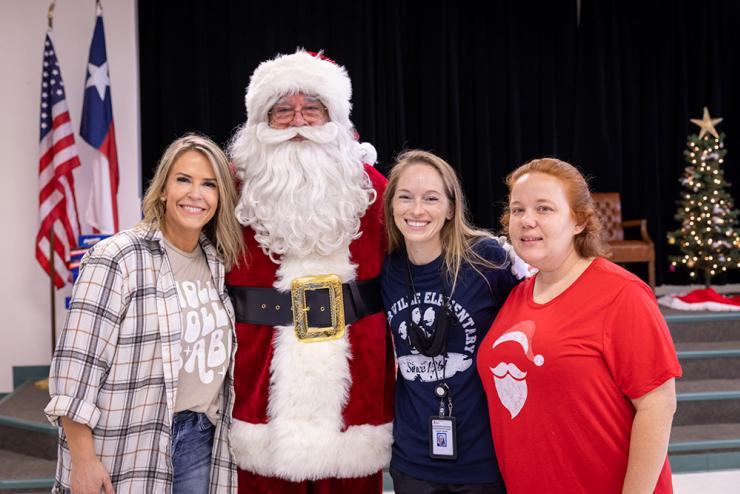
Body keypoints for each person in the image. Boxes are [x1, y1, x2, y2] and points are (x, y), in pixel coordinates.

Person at [226, 50, 395, 493]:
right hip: (259, 368)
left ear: (334, 117)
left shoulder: (374, 190)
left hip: (355, 370)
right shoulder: (229, 191)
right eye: (282, 110)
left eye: (312, 108)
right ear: (260, 121)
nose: (298, 120)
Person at [45, 134, 244, 494]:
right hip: (128, 442)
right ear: (164, 189)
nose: (195, 194)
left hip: (202, 440)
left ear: (220, 197)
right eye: (184, 179)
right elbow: (75, 370)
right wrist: (84, 460)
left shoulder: (217, 263)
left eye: (209, 184)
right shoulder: (117, 258)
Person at [477, 158, 682, 493]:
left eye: (544, 208)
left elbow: (658, 405)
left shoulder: (621, 294)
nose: (527, 220)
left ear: (578, 221)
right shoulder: (515, 298)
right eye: (517, 210)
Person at [380, 150, 523, 494]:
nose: (417, 210)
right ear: (391, 206)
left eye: (431, 198)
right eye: (405, 197)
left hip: (483, 459)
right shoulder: (386, 269)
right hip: (414, 461)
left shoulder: (487, 259)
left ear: (450, 208)